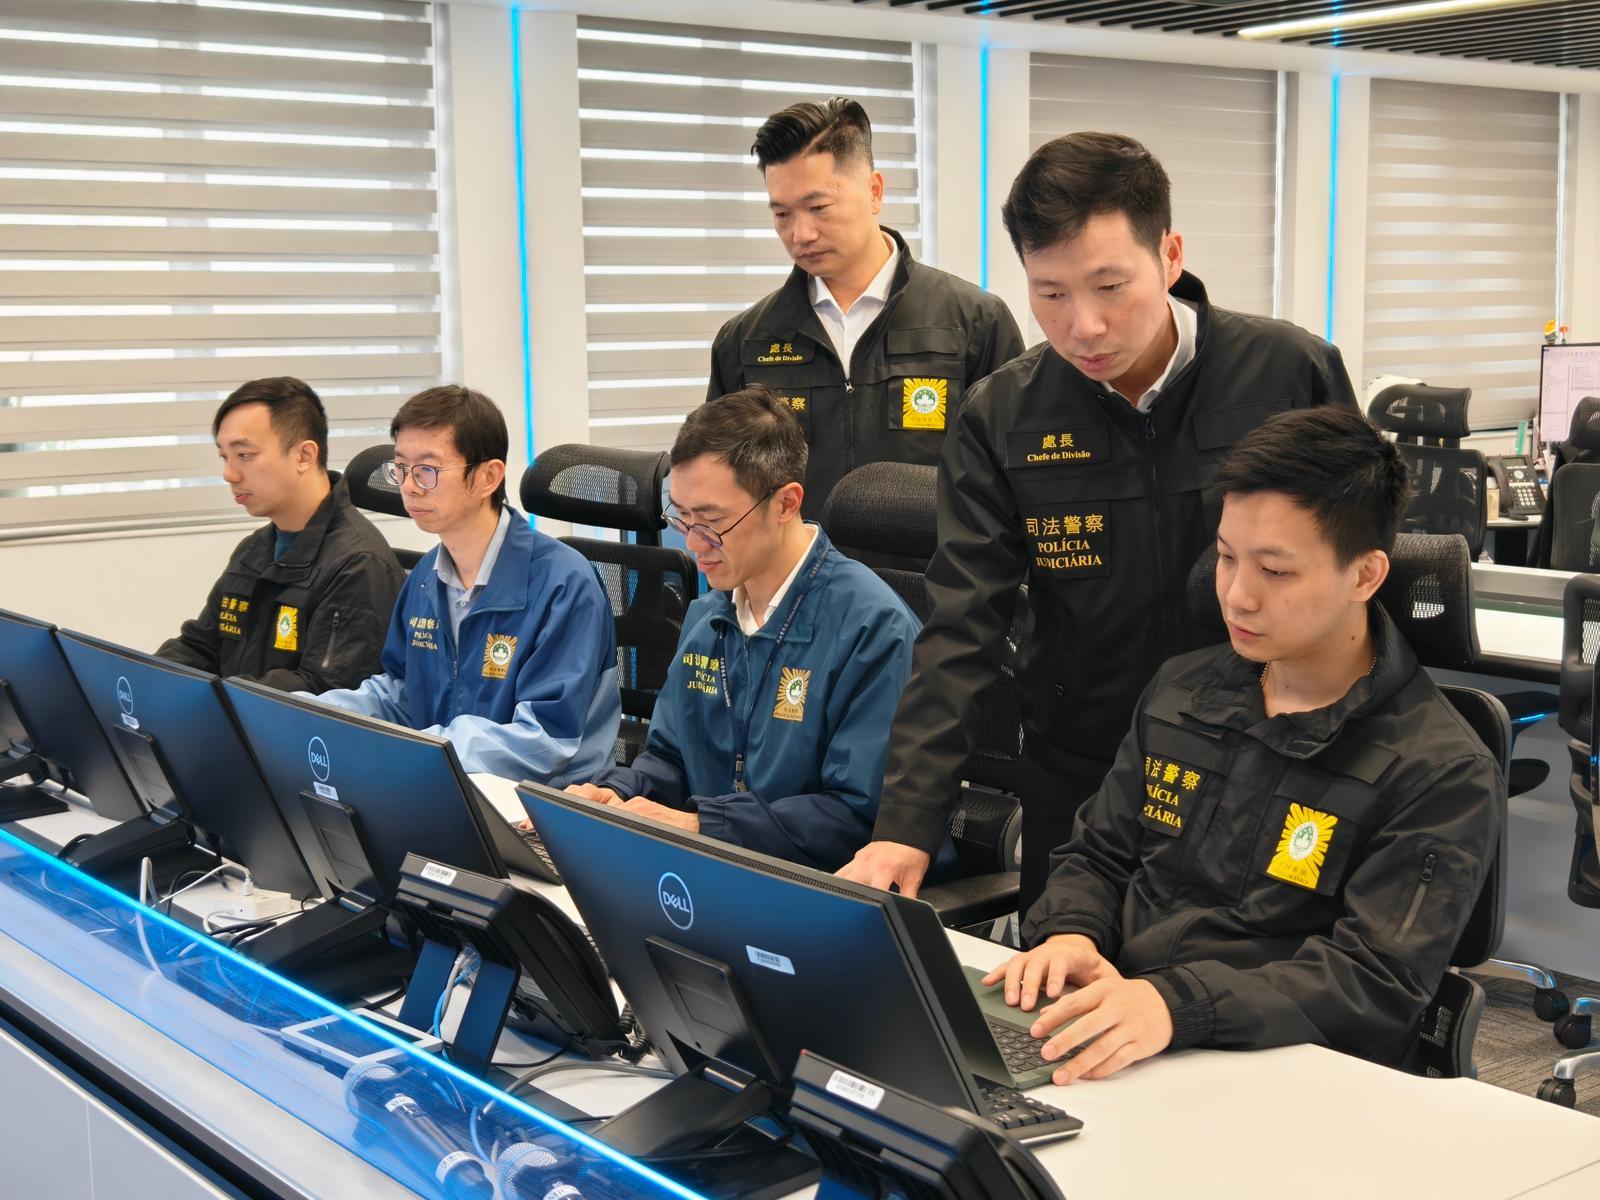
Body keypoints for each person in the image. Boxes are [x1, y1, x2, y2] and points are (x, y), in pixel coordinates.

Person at [839, 131, 1359, 914]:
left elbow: (1356, 582)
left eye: (1110, 286)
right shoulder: (1003, 416)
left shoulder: (1288, 374)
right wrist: (907, 825)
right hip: (1085, 773)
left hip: (1270, 763)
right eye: (1049, 294)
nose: (1083, 325)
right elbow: (959, 629)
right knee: (1059, 1000)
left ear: (1171, 255)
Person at [981, 407, 1500, 1081]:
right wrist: (1073, 932)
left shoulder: (1440, 770)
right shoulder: (1181, 689)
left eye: (1276, 572)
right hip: (1129, 1029)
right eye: (1226, 558)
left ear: (1366, 576)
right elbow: (1099, 853)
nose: (1238, 596)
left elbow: (1372, 981)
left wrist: (1174, 1006)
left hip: (1287, 1073)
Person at [563, 386, 925, 872]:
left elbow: (856, 817)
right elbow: (670, 757)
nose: (694, 543)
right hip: (710, 867)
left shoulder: (873, 629)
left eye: (713, 521)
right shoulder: (707, 615)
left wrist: (702, 825)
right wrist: (617, 791)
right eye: (681, 517)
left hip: (809, 888)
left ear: (786, 503)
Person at [707, 98, 1024, 518]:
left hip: (932, 581)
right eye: (782, 214)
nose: (800, 233)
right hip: (806, 582)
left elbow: (1017, 484)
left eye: (818, 207)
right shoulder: (745, 340)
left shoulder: (976, 323)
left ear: (874, 191)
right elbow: (724, 490)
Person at [311, 386, 620, 782]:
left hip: (546, 804)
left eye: (427, 470)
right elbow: (400, 695)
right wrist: (314, 711)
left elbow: (544, 741)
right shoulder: (426, 577)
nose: (408, 485)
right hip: (448, 784)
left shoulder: (563, 584)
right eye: (400, 468)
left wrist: (420, 751)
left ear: (488, 476)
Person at [157, 377, 404, 692]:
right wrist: (143, 678)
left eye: (244, 455)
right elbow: (202, 647)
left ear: (304, 456)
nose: (229, 474)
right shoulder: (255, 549)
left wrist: (215, 698)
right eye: (224, 457)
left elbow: (324, 690)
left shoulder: (358, 565)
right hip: (239, 724)